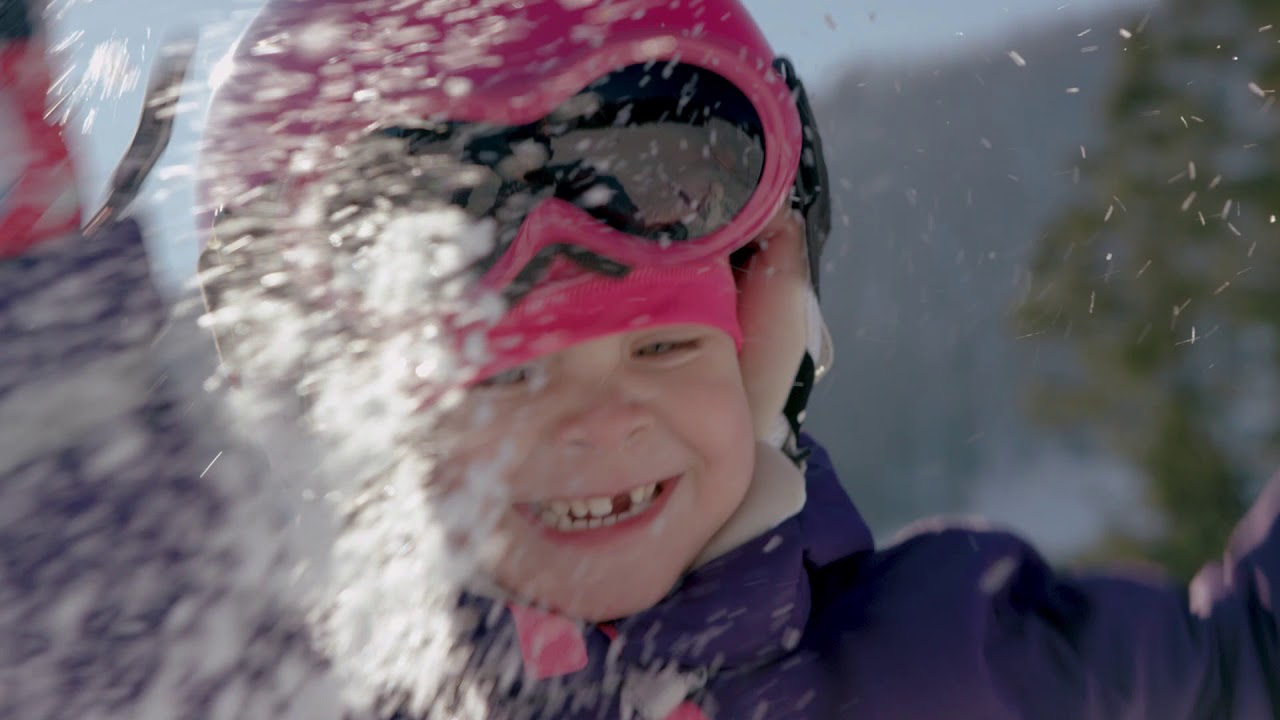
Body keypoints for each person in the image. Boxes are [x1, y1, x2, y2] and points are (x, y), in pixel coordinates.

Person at [4, 1, 1279, 719]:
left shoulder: (951, 664)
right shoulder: (288, 692)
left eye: (662, 345)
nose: (599, 425)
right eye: (505, 379)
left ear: (765, 337)